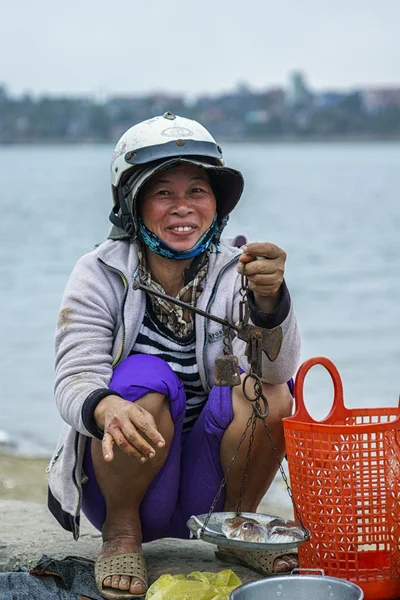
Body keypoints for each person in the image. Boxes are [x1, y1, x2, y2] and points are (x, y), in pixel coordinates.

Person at [47, 112, 301, 599]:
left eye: (197, 191)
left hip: (212, 489)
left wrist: (272, 303)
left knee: (269, 391)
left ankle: (239, 531)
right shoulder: (99, 272)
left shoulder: (240, 269)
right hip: (127, 488)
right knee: (146, 376)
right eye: (163, 192)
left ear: (216, 205)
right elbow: (74, 377)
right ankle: (122, 537)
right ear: (133, 204)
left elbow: (278, 370)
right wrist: (105, 406)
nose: (182, 207)